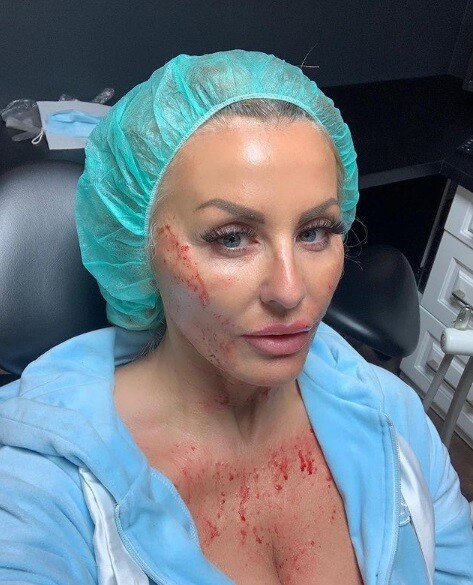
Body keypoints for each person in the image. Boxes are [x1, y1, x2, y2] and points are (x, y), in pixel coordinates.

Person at [0, 50, 472, 585]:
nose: (290, 291)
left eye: (314, 231)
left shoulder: (394, 419)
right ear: (138, 246)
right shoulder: (41, 491)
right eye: (231, 238)